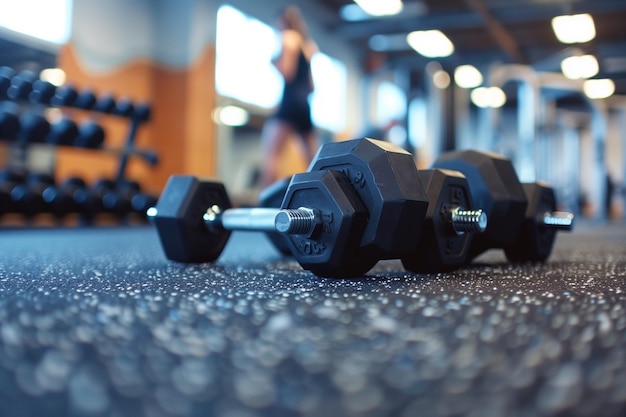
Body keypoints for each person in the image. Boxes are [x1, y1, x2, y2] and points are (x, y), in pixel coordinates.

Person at [260, 6, 319, 188]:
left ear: (283, 22)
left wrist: (273, 63)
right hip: (304, 105)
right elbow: (311, 87)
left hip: (290, 101)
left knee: (271, 156)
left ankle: (263, 202)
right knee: (314, 160)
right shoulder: (309, 46)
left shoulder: (288, 38)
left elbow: (287, 73)